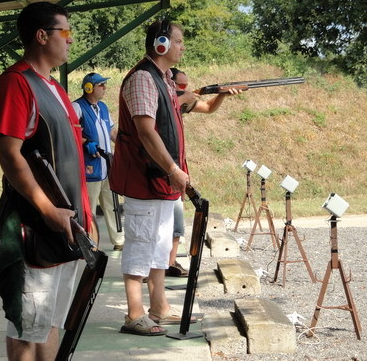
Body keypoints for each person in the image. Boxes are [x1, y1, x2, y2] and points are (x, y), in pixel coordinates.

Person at [0, 1, 92, 361]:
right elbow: (10, 155)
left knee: (50, 323)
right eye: (65, 32)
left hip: (65, 226)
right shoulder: (15, 84)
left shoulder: (56, 89)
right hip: (35, 227)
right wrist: (48, 210)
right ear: (41, 35)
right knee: (26, 328)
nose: (70, 40)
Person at [110, 20, 191, 336]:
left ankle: (158, 308)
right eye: (179, 41)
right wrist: (172, 169)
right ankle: (134, 314)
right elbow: (145, 131)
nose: (182, 46)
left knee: (158, 245)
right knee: (140, 243)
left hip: (158, 180)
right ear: (161, 44)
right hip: (146, 178)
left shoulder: (164, 80)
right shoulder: (144, 78)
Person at [165, 68, 241, 278]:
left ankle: (169, 264)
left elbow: (207, 107)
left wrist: (222, 94)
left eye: (186, 87)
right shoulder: (165, 104)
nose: (185, 90)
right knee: (167, 224)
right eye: (181, 87)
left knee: (176, 225)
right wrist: (183, 98)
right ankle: (158, 266)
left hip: (177, 168)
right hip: (164, 171)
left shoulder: (178, 105)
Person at [72, 72, 125, 250]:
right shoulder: (77, 107)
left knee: (112, 205)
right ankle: (90, 243)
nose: (104, 88)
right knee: (90, 209)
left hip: (107, 166)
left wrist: (126, 146)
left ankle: (118, 241)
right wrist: (86, 142)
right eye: (101, 85)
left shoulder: (102, 107)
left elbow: (111, 132)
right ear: (89, 88)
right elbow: (69, 133)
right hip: (89, 167)